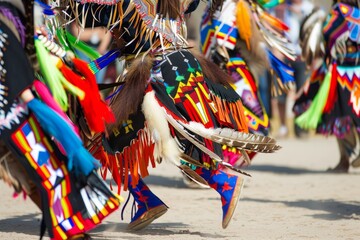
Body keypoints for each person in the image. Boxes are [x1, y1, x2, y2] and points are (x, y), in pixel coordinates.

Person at [70, 0, 281, 231]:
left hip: (157, 75)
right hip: (184, 68)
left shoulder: (124, 3)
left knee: (104, 139)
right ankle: (151, 199)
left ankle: (220, 182)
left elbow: (82, 13)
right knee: (172, 140)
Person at [0, 1, 120, 239]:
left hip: (15, 99)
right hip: (11, 106)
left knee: (36, 169)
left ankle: (69, 224)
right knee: (45, 167)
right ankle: (68, 226)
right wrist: (30, 97)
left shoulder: (14, 15)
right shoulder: (9, 18)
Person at [295, 0, 360, 172]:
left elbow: (329, 33)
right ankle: (348, 157)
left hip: (341, 75)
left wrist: (320, 23)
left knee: (339, 117)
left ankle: (344, 161)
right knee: (354, 115)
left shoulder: (339, 10)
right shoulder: (356, 12)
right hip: (356, 72)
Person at [272, 0, 314, 138]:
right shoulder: (279, 7)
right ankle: (283, 127)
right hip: (283, 55)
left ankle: (300, 127)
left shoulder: (309, 8)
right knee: (281, 92)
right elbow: (271, 28)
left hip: (302, 56)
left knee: (303, 92)